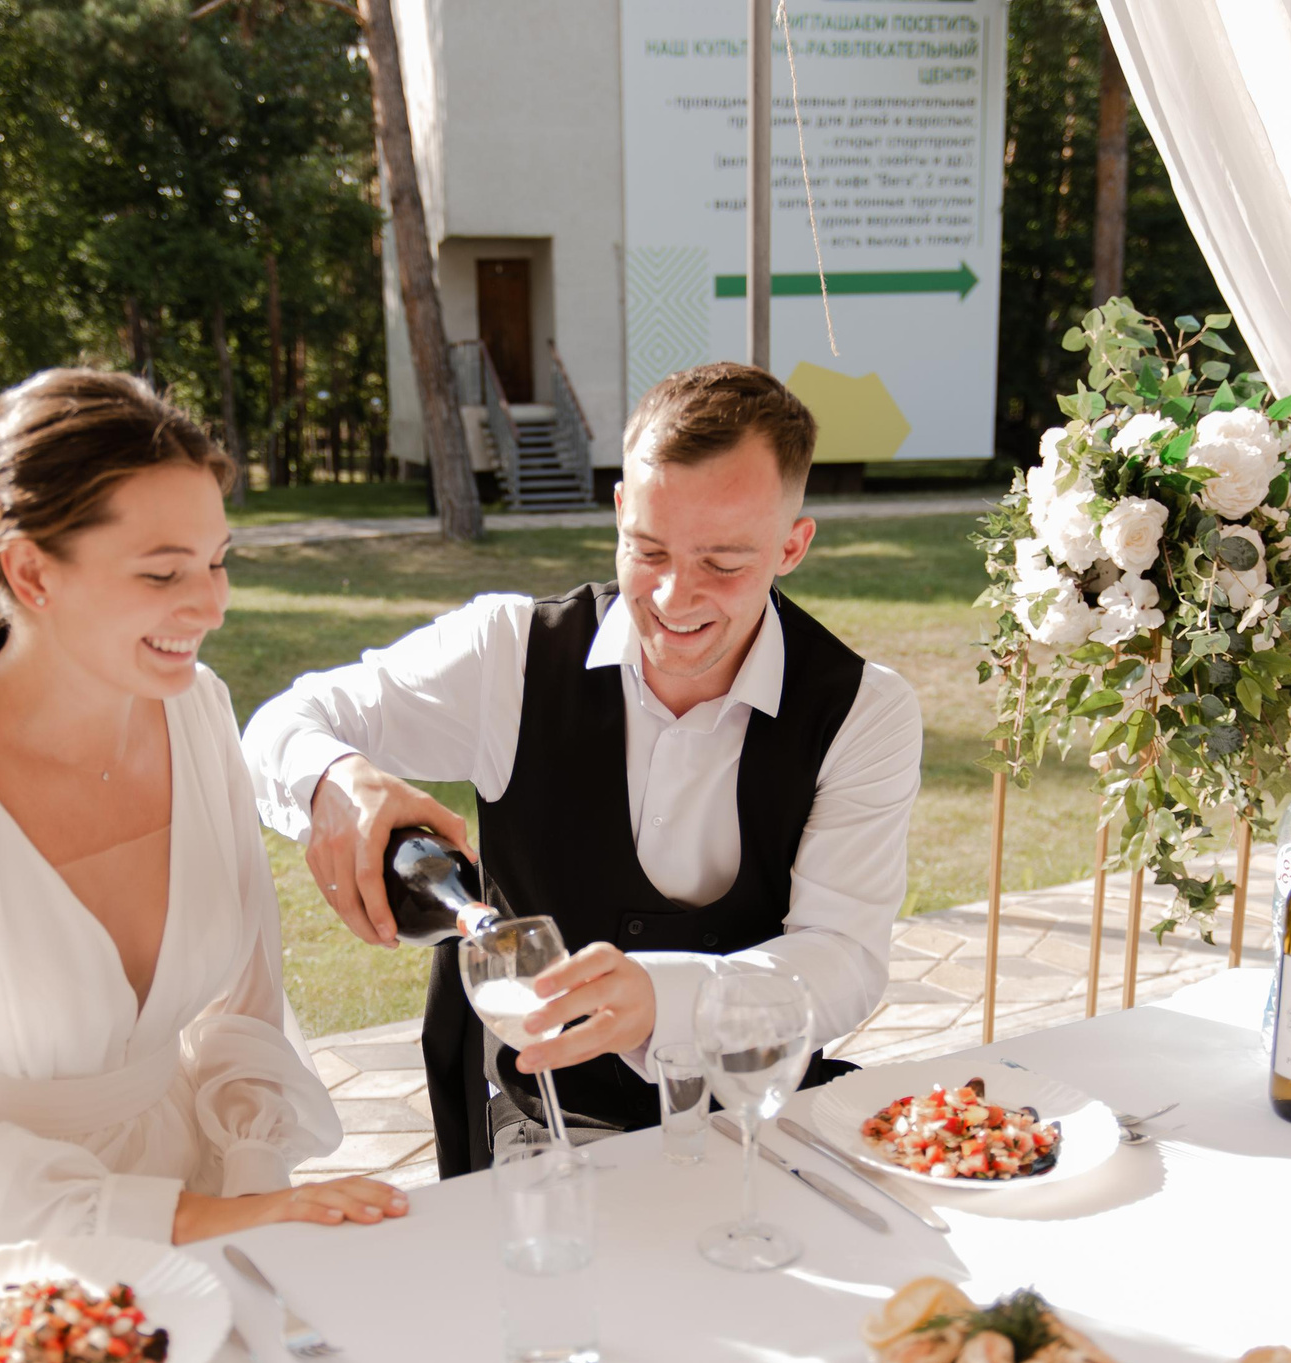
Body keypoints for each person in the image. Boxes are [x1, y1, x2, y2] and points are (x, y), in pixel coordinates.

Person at [0, 368, 405, 1342]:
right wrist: (187, 1222)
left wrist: (251, 1195)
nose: (212, 604)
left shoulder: (197, 712)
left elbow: (245, 1009)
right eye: (162, 572)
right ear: (29, 574)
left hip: (198, 1213)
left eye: (220, 560)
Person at [243, 363, 922, 1176]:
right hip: (557, 1125)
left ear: (792, 545)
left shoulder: (863, 710)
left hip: (762, 1115)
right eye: (649, 548)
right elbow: (283, 722)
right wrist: (336, 781)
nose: (675, 597)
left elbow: (843, 958)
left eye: (724, 563)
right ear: (618, 512)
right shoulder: (509, 655)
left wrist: (664, 998)